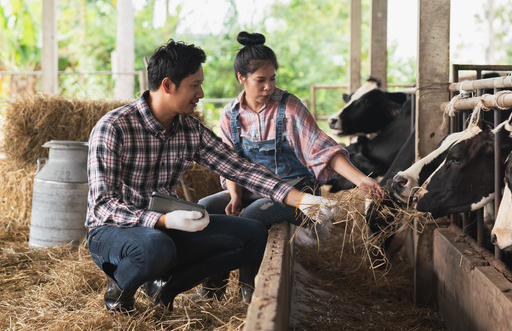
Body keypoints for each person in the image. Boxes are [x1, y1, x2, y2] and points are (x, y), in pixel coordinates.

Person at [85, 39, 339, 314]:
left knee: (252, 234)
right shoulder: (114, 127)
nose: (202, 93)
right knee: (157, 247)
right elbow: (103, 206)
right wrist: (163, 220)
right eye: (195, 85)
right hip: (114, 231)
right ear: (168, 85)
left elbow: (240, 169)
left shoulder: (189, 129)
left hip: (165, 227)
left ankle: (165, 290)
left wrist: (302, 200)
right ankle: (118, 295)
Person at [195, 31, 383, 302]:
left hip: (298, 192)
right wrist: (234, 194)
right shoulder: (230, 115)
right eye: (260, 80)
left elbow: (323, 149)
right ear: (241, 79)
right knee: (205, 208)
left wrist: (361, 180)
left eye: (272, 79)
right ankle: (212, 290)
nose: (268, 87)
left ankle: (249, 291)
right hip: (252, 190)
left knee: (251, 216)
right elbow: (229, 162)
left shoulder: (289, 107)